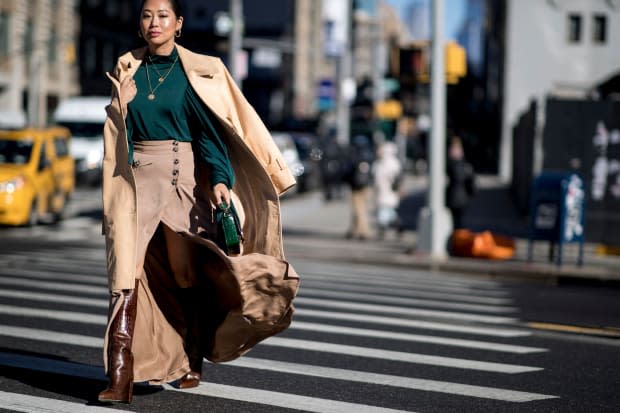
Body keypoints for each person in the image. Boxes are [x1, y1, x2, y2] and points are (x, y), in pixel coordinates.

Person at [98, 0, 299, 404]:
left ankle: (191, 355)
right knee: (125, 275)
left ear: (179, 24)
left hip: (182, 181)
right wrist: (121, 104)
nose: (154, 23)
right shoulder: (127, 69)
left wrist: (221, 181)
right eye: (147, 15)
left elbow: (210, 134)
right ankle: (120, 373)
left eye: (163, 16)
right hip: (135, 183)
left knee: (183, 273)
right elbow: (120, 133)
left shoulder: (196, 72)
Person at [343, 135, 374, 240]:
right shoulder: (369, 154)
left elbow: (347, 170)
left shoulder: (354, 154)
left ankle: (364, 231)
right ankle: (352, 230)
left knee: (359, 209)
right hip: (367, 186)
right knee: (359, 208)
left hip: (355, 186)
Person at [372, 141, 403, 239]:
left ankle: (384, 229)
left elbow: (397, 179)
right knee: (387, 211)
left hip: (389, 190)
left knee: (385, 211)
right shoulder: (379, 163)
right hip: (382, 190)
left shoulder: (392, 163)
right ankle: (396, 226)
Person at [446, 136, 475, 230]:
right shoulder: (465, 164)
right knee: (458, 220)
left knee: (454, 220)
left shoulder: (450, 164)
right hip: (462, 197)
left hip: (453, 196)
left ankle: (456, 238)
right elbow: (470, 181)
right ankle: (458, 237)